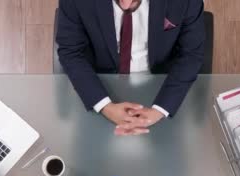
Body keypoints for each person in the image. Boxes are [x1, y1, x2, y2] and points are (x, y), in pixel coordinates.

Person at [56, 0, 205, 136]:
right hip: (98, 87)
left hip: (164, 88)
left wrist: (160, 110)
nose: (125, 5)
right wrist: (104, 106)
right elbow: (71, 52)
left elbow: (191, 55)